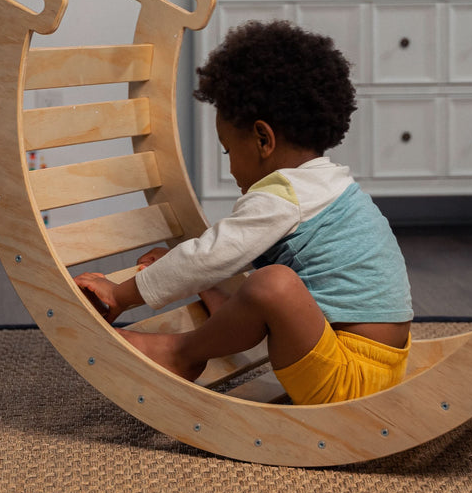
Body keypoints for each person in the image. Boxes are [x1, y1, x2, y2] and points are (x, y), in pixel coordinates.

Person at [73, 20, 413, 405]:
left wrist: (120, 295)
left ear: (263, 139)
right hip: (369, 364)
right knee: (265, 280)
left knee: (274, 284)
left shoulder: (286, 195)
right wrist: (199, 280)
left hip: (347, 378)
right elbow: (225, 265)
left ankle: (180, 353)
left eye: (228, 150)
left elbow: (211, 255)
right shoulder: (326, 185)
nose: (230, 167)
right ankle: (205, 324)